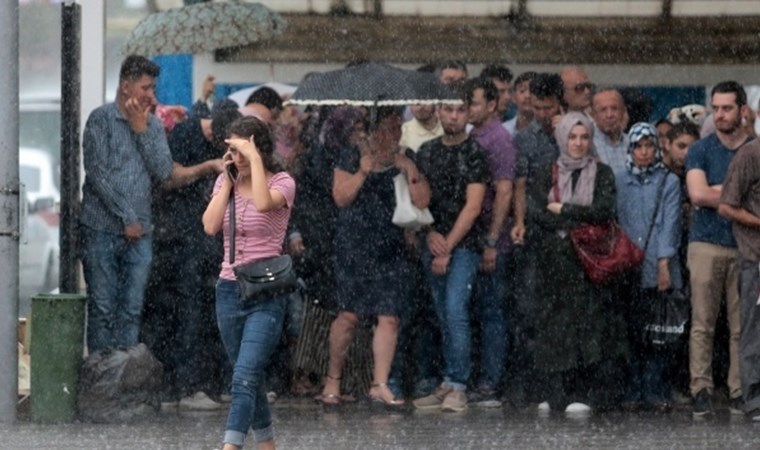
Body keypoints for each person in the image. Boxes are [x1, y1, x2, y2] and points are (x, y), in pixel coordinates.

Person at [80, 55, 222, 353]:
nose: (151, 95)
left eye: (153, 88)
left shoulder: (153, 126)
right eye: (145, 88)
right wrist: (127, 217)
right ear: (125, 87)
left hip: (140, 234)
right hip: (102, 229)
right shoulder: (100, 120)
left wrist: (141, 130)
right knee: (103, 308)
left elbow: (163, 171)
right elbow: (98, 176)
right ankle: (103, 377)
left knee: (132, 310)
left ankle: (126, 380)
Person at [316, 107, 430, 407]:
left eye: (399, 127)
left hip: (390, 245)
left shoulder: (405, 157)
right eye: (392, 127)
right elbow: (341, 197)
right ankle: (333, 379)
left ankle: (379, 383)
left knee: (389, 316)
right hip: (354, 245)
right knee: (349, 315)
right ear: (376, 129)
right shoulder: (352, 155)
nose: (398, 133)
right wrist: (364, 171)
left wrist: (410, 170)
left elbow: (422, 202)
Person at [202, 116, 296, 450]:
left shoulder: (282, 182)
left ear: (258, 146)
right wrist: (227, 182)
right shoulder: (224, 181)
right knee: (248, 378)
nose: (236, 157)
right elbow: (210, 226)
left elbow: (262, 202)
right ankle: (266, 443)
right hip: (229, 290)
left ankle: (230, 446)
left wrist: (254, 160)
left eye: (242, 149)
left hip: (266, 291)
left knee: (243, 375)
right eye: (232, 149)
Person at [142, 105, 242, 411]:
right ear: (214, 132)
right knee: (187, 311)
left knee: (209, 312)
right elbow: (167, 177)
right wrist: (207, 167)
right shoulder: (186, 134)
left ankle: (211, 381)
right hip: (181, 238)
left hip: (206, 238)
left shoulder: (220, 143)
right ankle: (185, 385)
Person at [528, 112, 627, 414]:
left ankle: (584, 392)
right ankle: (557, 391)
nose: (579, 143)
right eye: (572, 137)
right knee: (554, 327)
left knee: (589, 326)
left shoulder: (603, 173)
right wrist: (573, 215)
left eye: (584, 137)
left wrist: (565, 209)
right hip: (554, 264)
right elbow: (537, 212)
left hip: (588, 263)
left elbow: (602, 210)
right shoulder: (548, 172)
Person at [412, 97, 490, 413]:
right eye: (449, 110)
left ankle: (459, 383)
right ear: (439, 111)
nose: (454, 116)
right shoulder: (426, 151)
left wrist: (449, 245)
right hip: (432, 238)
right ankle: (447, 380)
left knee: (457, 310)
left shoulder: (475, 152)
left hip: (466, 243)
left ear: (468, 113)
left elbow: (473, 207)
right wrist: (430, 234)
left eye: (460, 110)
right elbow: (418, 200)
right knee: (443, 313)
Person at [685, 81, 753, 417]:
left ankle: (741, 389)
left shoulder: (754, 148)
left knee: (744, 325)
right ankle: (701, 388)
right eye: (716, 108)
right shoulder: (701, 149)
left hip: (747, 247)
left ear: (743, 110)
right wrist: (737, 195)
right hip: (706, 243)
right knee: (703, 322)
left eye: (727, 108)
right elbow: (697, 194)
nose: (721, 115)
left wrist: (720, 191)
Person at [615, 123, 683, 412]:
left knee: (659, 331)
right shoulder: (619, 180)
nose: (644, 152)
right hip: (628, 266)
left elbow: (670, 224)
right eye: (638, 146)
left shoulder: (668, 181)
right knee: (632, 332)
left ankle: (655, 390)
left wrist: (664, 263)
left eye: (649, 146)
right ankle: (633, 388)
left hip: (658, 265)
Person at [506, 72, 563, 405]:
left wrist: (565, 132)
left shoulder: (577, 132)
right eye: (538, 107)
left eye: (548, 107)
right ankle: (532, 381)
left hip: (570, 228)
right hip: (538, 229)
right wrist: (521, 221)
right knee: (529, 307)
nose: (543, 114)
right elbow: (520, 183)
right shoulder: (525, 138)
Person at [465, 77, 516, 407]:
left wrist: (492, 240)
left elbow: (505, 191)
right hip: (475, 235)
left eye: (474, 103)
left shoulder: (498, 139)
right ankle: (482, 376)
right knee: (479, 311)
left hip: (490, 237)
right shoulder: (475, 135)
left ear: (492, 104)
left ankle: (491, 380)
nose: (469, 109)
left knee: (493, 312)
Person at [718, 137, 760, 420]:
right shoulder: (750, 155)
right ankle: (755, 398)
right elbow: (727, 206)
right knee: (754, 329)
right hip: (756, 257)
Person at [591, 87, 628, 174]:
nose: (609, 115)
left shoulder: (633, 144)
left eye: (614, 108)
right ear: (593, 115)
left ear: (623, 111)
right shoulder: (588, 146)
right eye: (603, 110)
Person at [502, 71, 536, 137]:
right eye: (522, 91)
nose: (527, 96)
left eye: (533, 91)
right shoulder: (504, 130)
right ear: (513, 97)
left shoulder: (547, 129)